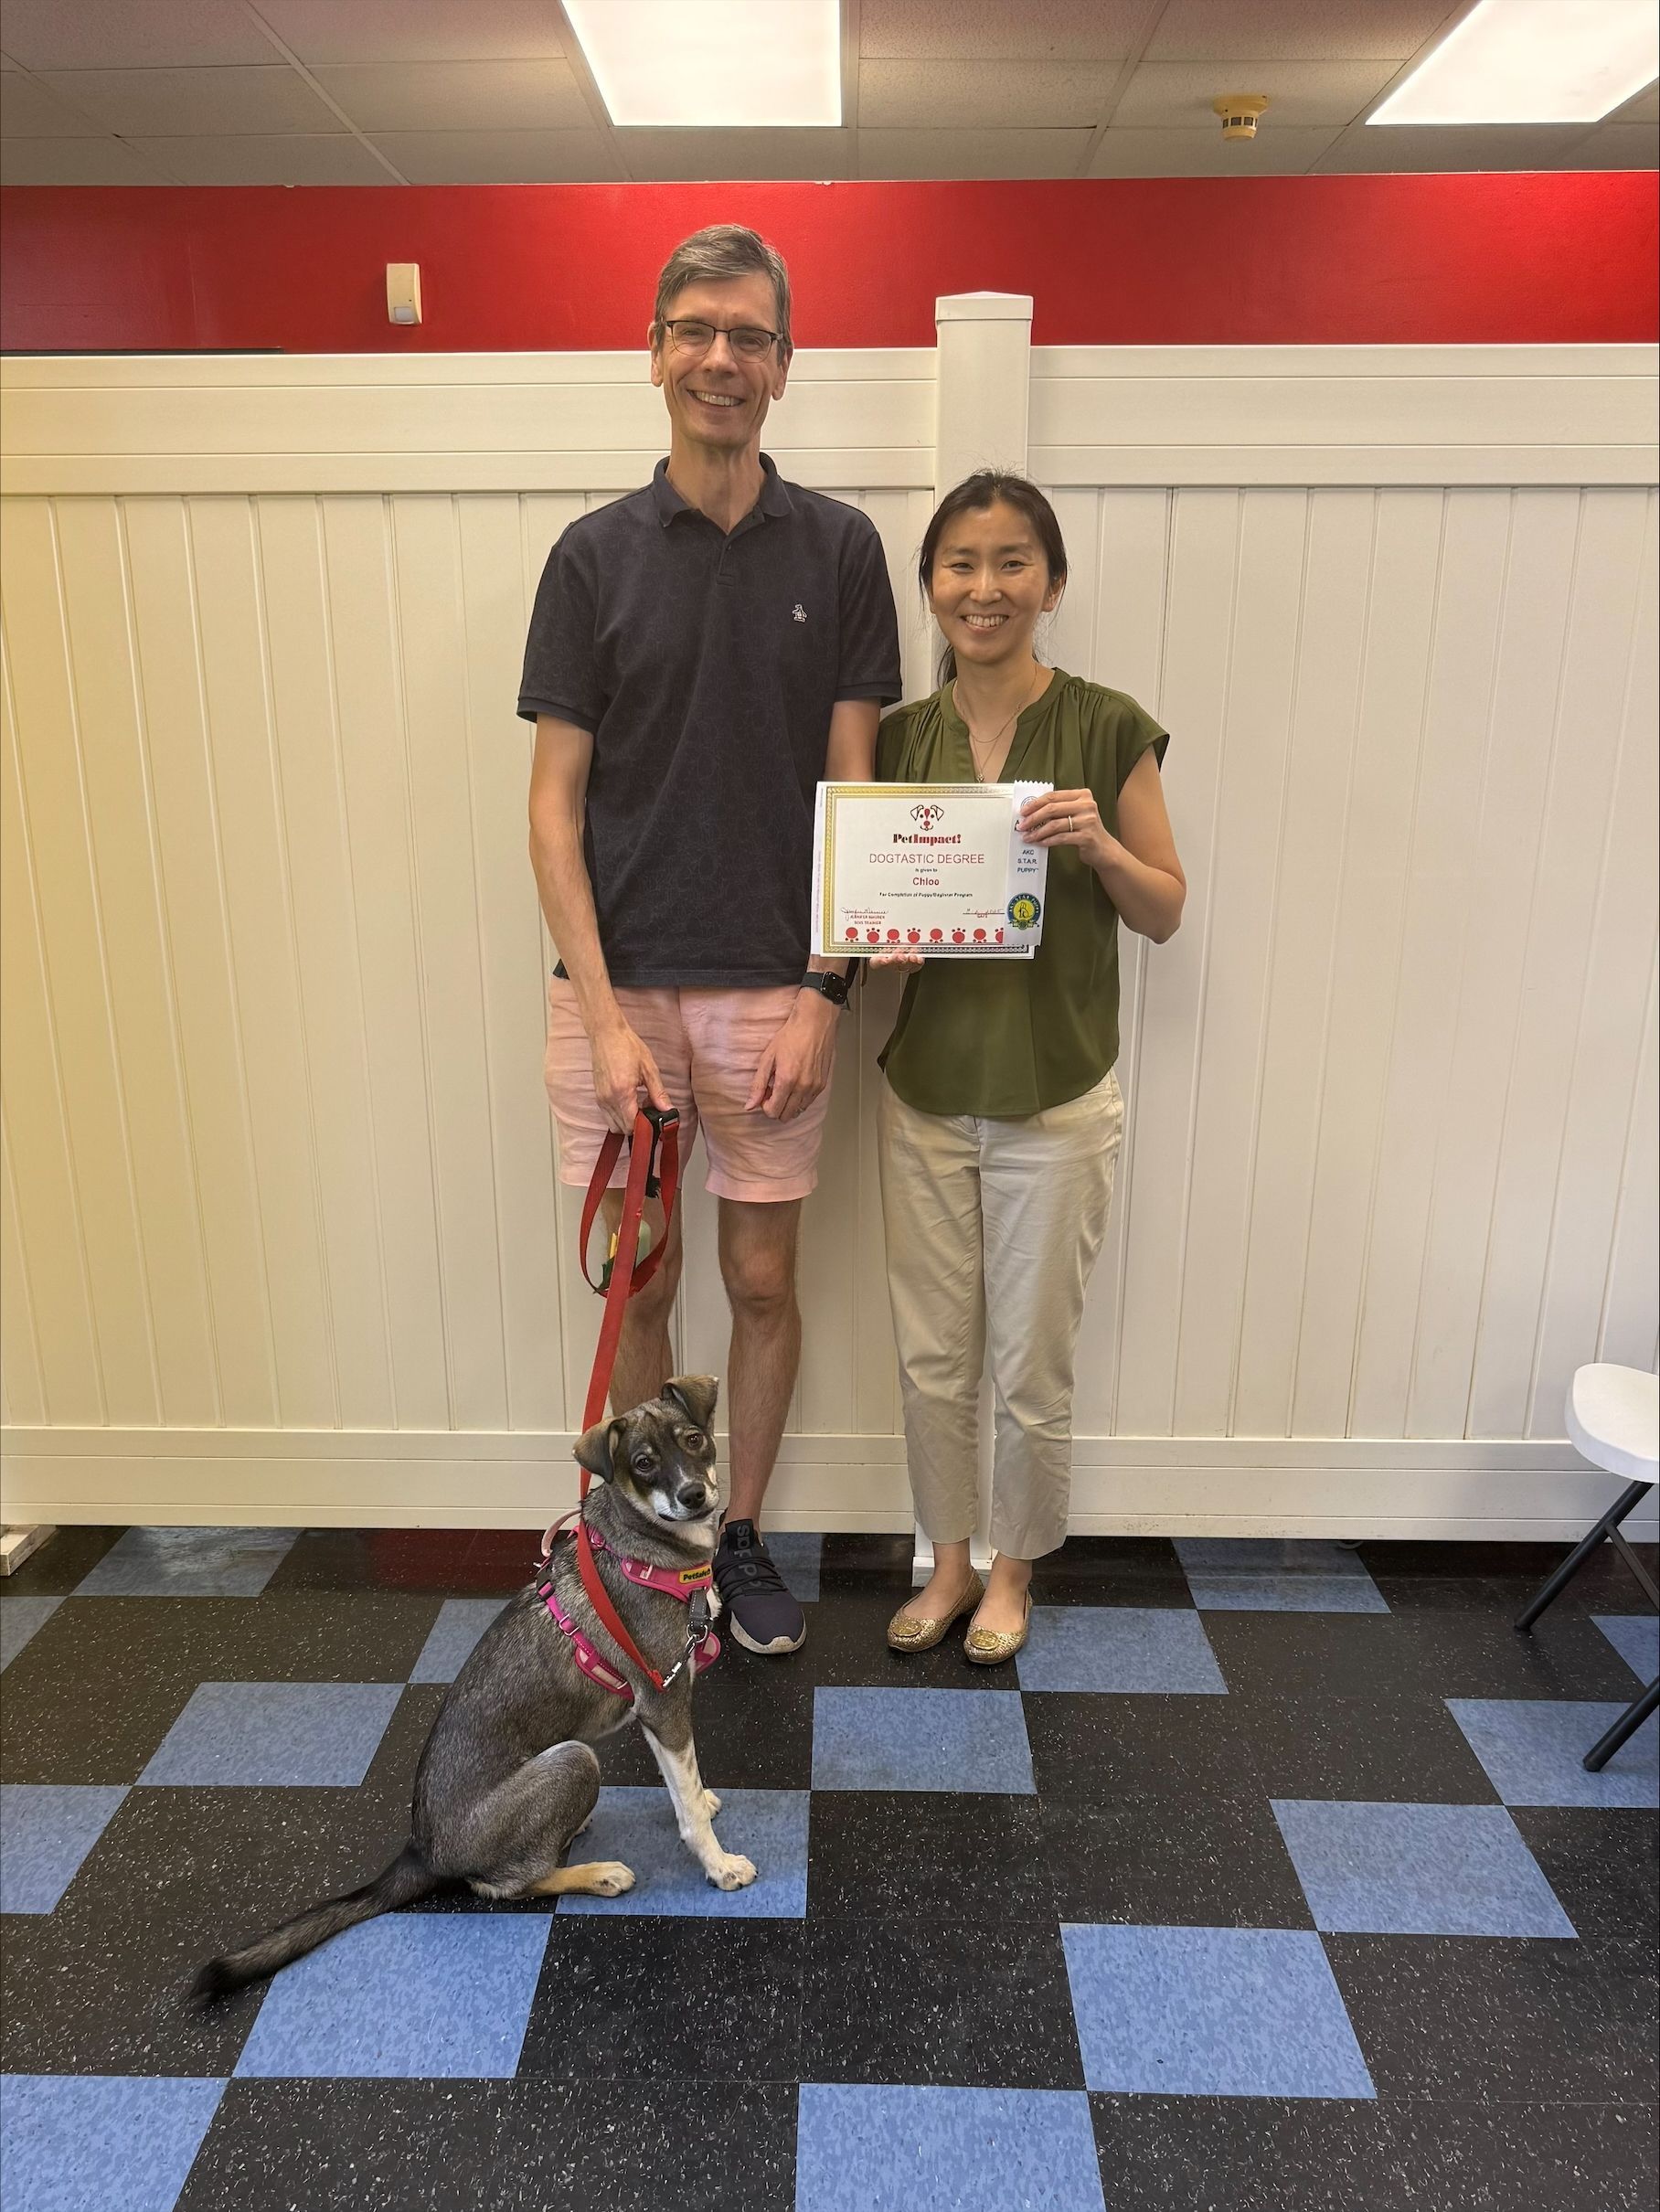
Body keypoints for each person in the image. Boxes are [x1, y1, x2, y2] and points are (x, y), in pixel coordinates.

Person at [520, 225, 901, 1655]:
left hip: (773, 992)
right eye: (695, 330)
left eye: (748, 335)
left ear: (784, 366)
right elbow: (554, 815)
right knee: (645, 1277)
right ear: (657, 354)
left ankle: (737, 1536)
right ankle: (646, 1549)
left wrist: (826, 989)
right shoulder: (591, 558)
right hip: (617, 996)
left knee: (758, 1282)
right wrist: (608, 1016)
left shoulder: (844, 550)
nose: (720, 358)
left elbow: (855, 790)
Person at [876, 472, 1186, 1663]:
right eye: (960, 563)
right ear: (934, 586)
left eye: (1012, 562)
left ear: (1051, 583)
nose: (985, 586)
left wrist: (1099, 840)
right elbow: (862, 939)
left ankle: (1013, 1575)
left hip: (1058, 1098)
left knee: (1028, 1364)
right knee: (932, 1356)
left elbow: (1163, 911)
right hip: (925, 1096)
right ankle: (945, 1564)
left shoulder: (1107, 725)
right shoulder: (900, 740)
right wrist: (874, 946)